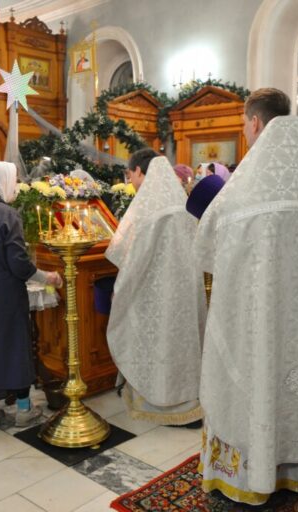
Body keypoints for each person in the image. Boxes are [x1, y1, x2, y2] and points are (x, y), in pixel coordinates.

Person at [194, 88, 298, 506]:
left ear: (255, 123)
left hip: (258, 317)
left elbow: (206, 241)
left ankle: (252, 475)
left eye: (245, 125)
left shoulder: (246, 187)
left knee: (259, 380)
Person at [0, 161, 62, 431]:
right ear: (2, 182)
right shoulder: (7, 215)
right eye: (13, 181)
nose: (15, 186)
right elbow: (18, 263)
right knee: (14, 347)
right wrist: (47, 277)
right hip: (3, 293)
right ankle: (24, 410)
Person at [106, 150, 205, 426]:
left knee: (155, 341)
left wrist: (120, 288)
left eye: (131, 175)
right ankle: (188, 399)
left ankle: (156, 401)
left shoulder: (146, 206)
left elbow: (123, 251)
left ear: (139, 171)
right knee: (181, 342)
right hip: (184, 289)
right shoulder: (181, 202)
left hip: (153, 291)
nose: (131, 181)